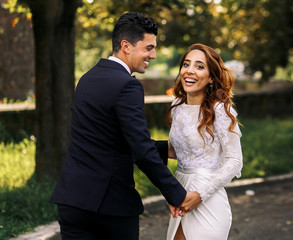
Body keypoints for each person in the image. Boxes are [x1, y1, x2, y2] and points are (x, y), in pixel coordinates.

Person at [49, 12, 197, 240]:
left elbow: (106, 137)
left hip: (73, 200)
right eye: (148, 48)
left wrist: (163, 148)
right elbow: (138, 148)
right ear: (126, 46)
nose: (154, 55)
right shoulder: (127, 85)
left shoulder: (87, 79)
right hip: (110, 205)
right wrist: (176, 194)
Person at [165, 43, 244, 240]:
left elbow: (235, 161)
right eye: (186, 64)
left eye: (199, 66)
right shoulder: (177, 107)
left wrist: (200, 194)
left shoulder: (220, 110)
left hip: (207, 198)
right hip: (180, 191)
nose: (190, 71)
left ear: (211, 78)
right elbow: (177, 150)